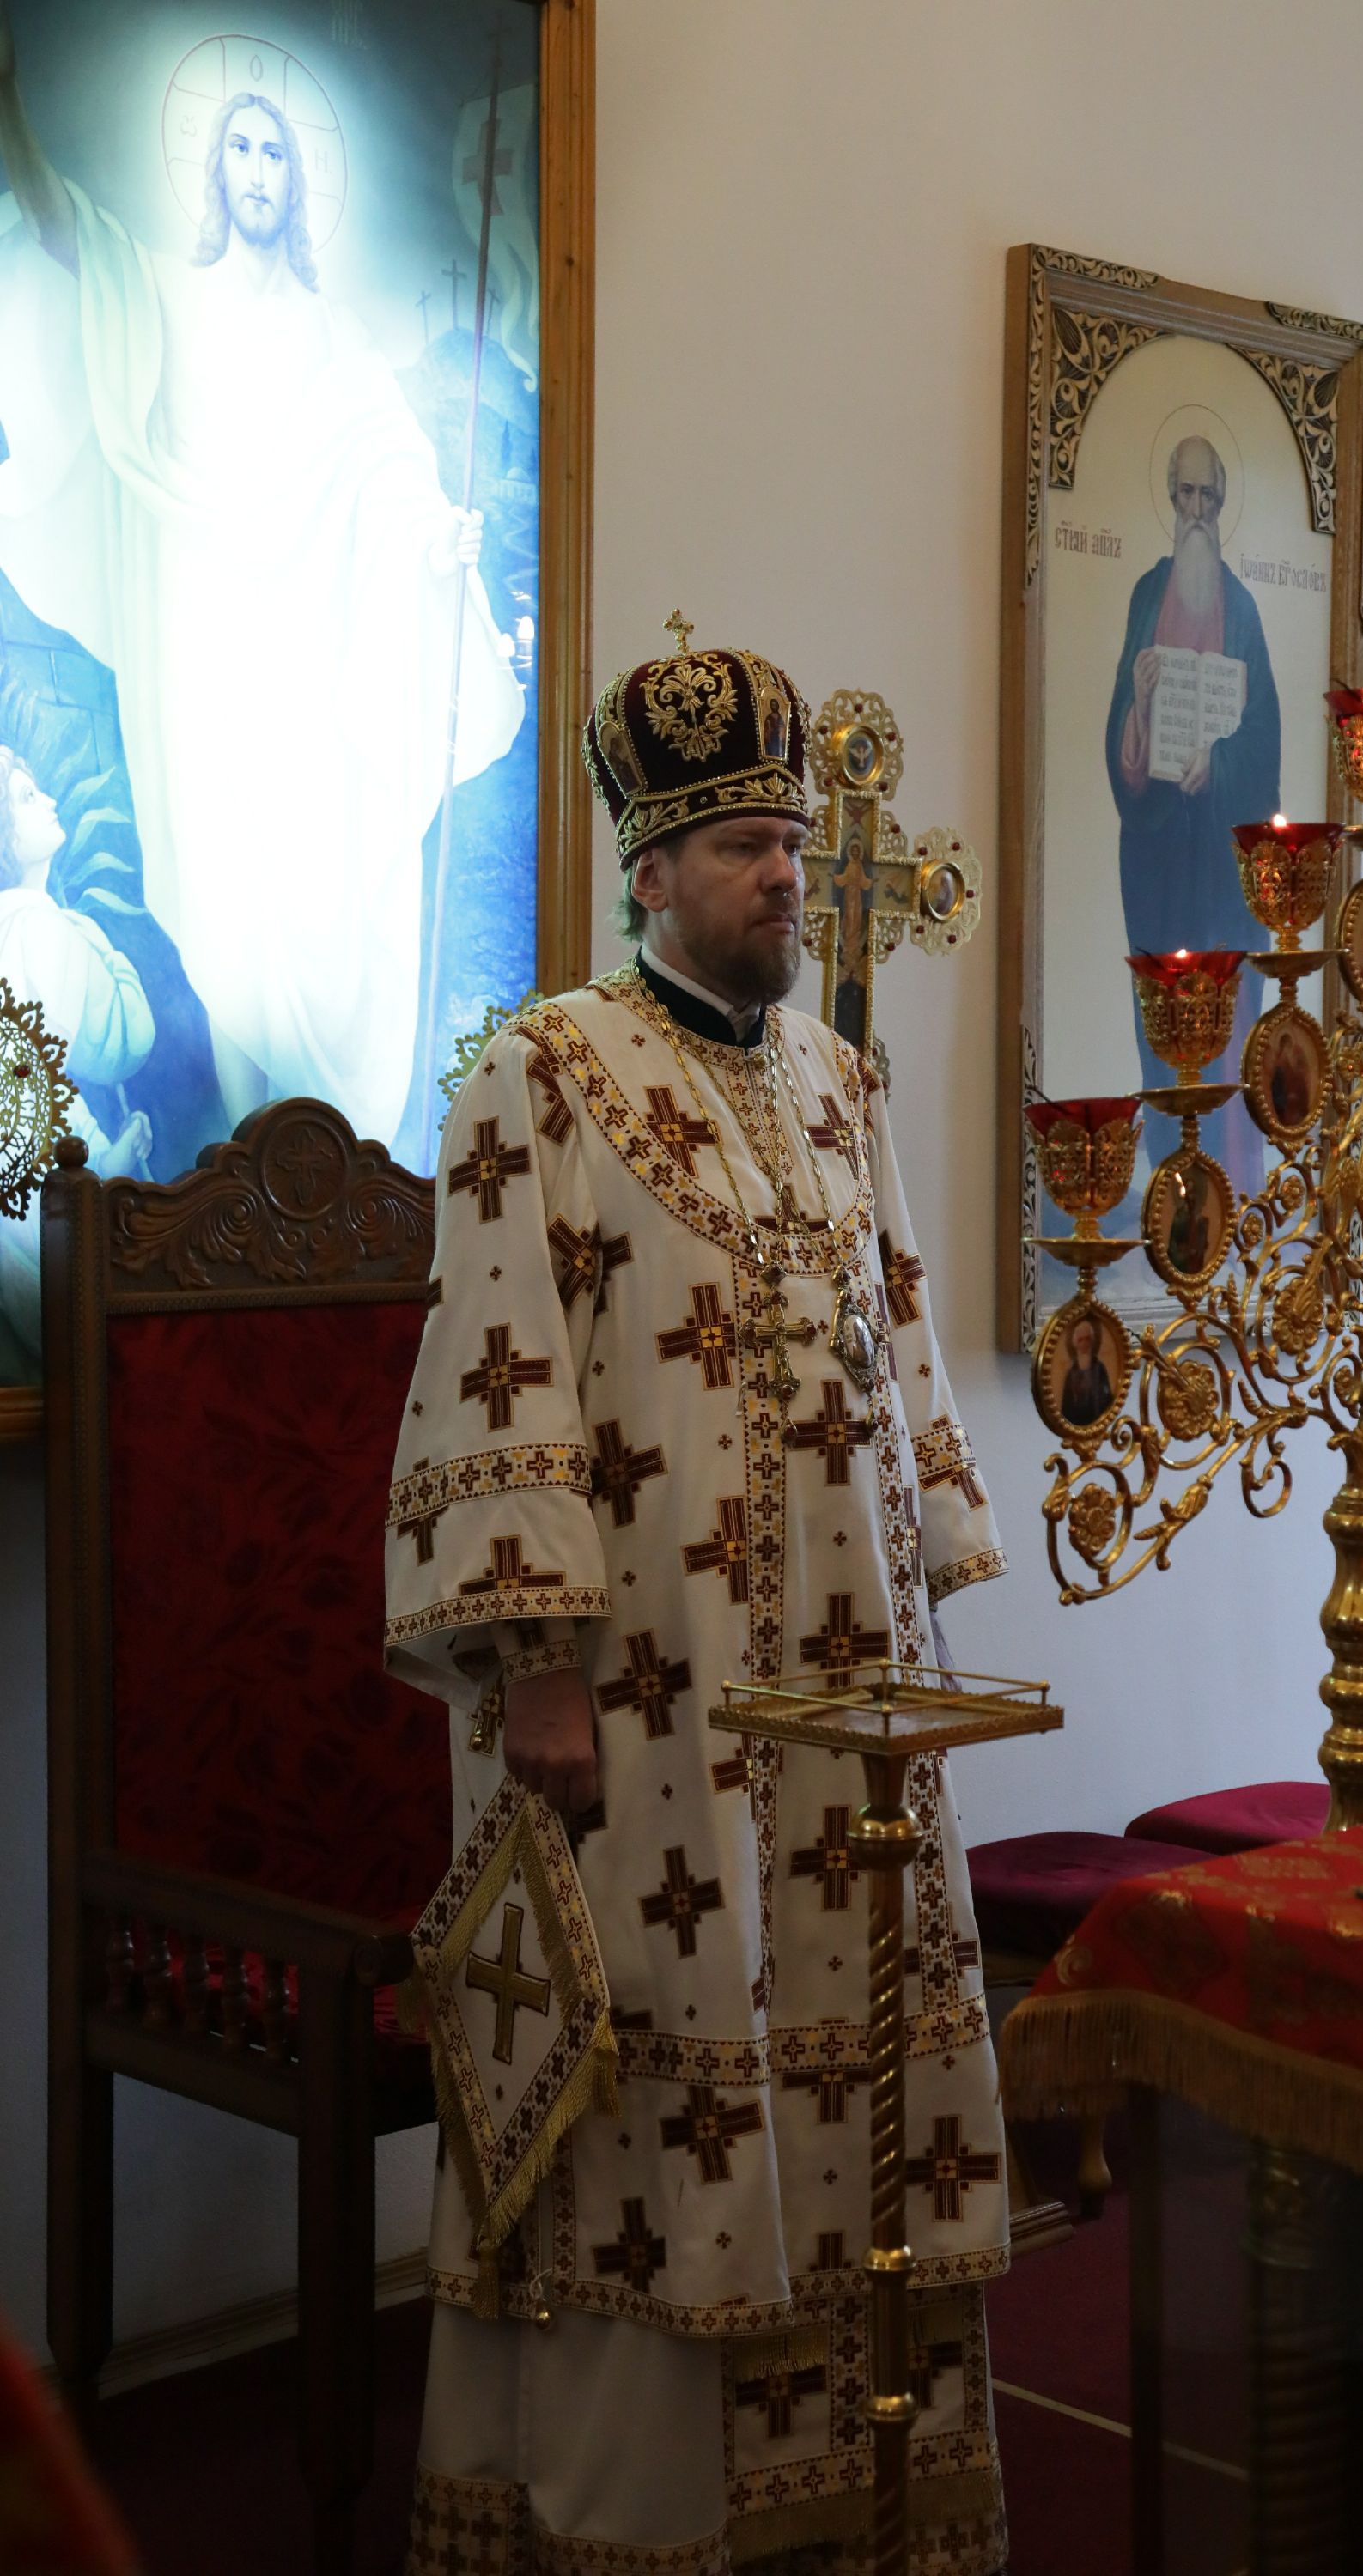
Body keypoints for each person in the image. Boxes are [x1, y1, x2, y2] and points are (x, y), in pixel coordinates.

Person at [386, 634, 1010, 2574]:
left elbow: (900, 1336)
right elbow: (498, 1372)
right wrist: (537, 1668)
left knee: (857, 2051)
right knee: (652, 2085)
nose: (783, 877)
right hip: (642, 1703)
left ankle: (855, 2513)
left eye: (792, 843)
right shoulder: (541, 1072)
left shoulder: (836, 1079)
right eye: (745, 846)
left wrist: (931, 1596)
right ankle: (629, 2526)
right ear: (650, 867)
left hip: (847, 1694)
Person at [0, 16, 524, 1148]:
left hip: (317, 681)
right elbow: (68, 242)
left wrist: (435, 545)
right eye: (237, 147)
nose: (255, 170)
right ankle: (250, 1161)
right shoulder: (166, 299)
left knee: (328, 908)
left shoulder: (339, 339)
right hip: (211, 666)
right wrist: (15, 127)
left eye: (275, 151)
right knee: (228, 925)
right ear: (212, 171)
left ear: (297, 180)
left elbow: (392, 475)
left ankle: (339, 1166)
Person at [1107, 435, 1281, 1167]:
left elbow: (1265, 744)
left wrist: (1222, 764)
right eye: (1187, 494)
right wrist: (1141, 704)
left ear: (1222, 502)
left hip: (1222, 873)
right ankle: (1170, 1185)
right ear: (1171, 498)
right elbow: (1119, 744)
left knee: (1227, 1034)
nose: (1198, 510)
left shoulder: (1242, 609)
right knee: (1163, 1030)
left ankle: (1229, 1189)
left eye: (1210, 496)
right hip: (1158, 865)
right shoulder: (1148, 596)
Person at [0, 748, 153, 1370]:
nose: (51, 802)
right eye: (26, 797)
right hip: (34, 1211)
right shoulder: (40, 929)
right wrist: (102, 947)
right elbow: (125, 1039)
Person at [1059, 1313, 1114, 1425]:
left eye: (1087, 1339)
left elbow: (1107, 1399)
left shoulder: (1099, 1368)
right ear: (1075, 1343)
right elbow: (1066, 1407)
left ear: (1092, 1341)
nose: (1084, 1344)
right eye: (1081, 1340)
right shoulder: (1071, 1373)